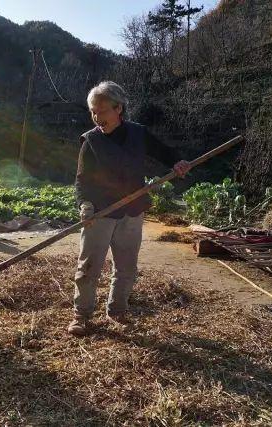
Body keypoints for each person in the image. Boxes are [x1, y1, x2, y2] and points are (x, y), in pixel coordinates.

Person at [69, 81, 192, 336]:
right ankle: (81, 315)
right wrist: (85, 205)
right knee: (89, 267)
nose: (97, 117)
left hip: (132, 210)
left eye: (102, 111)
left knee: (126, 267)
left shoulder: (138, 133)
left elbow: (166, 153)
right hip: (100, 212)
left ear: (119, 108)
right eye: (93, 111)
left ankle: (117, 311)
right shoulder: (91, 141)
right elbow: (82, 180)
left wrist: (178, 163)